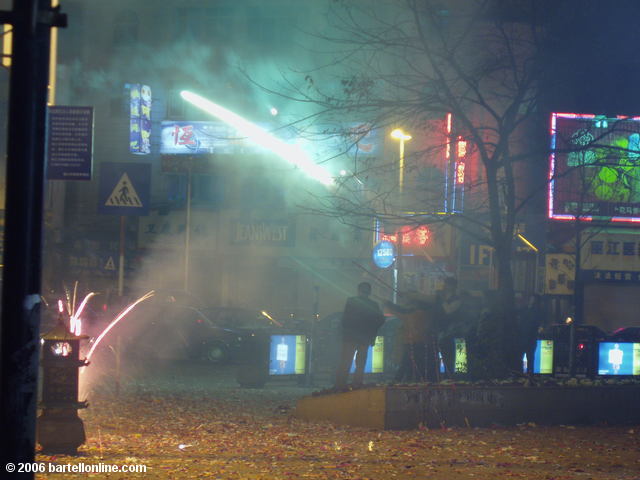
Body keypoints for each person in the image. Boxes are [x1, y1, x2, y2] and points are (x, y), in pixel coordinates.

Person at [334, 282, 385, 390]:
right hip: (365, 338)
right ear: (369, 292)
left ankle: (341, 384)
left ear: (359, 290)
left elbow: (345, 320)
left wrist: (345, 331)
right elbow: (380, 320)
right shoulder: (373, 305)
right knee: (361, 363)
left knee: (346, 361)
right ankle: (357, 383)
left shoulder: (351, 301)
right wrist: (371, 332)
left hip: (350, 337)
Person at [384, 292, 434, 383]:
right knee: (416, 364)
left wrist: (389, 305)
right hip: (421, 342)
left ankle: (398, 380)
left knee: (406, 362)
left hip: (411, 343)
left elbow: (398, 312)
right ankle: (415, 381)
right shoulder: (426, 315)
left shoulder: (412, 315)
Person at [435, 277, 462, 378]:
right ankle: (443, 376)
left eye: (448, 284)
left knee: (452, 356)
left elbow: (449, 311)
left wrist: (442, 300)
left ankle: (453, 377)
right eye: (445, 284)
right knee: (442, 355)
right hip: (442, 331)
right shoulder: (441, 298)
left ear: (454, 286)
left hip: (453, 333)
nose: (446, 286)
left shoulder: (457, 299)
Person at [518, 294, 544, 375]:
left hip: (526, 337)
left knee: (526, 356)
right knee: (530, 357)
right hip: (530, 338)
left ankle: (523, 373)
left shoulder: (526, 310)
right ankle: (528, 374)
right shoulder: (537, 312)